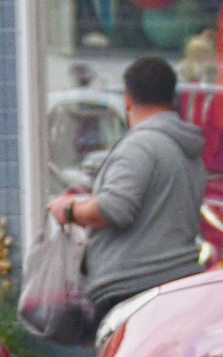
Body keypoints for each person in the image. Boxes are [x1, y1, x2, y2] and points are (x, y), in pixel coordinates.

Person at [45, 55, 206, 329]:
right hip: (178, 284)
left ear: (128, 100)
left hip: (133, 290)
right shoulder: (187, 150)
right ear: (172, 100)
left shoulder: (141, 146)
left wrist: (70, 209)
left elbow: (114, 210)